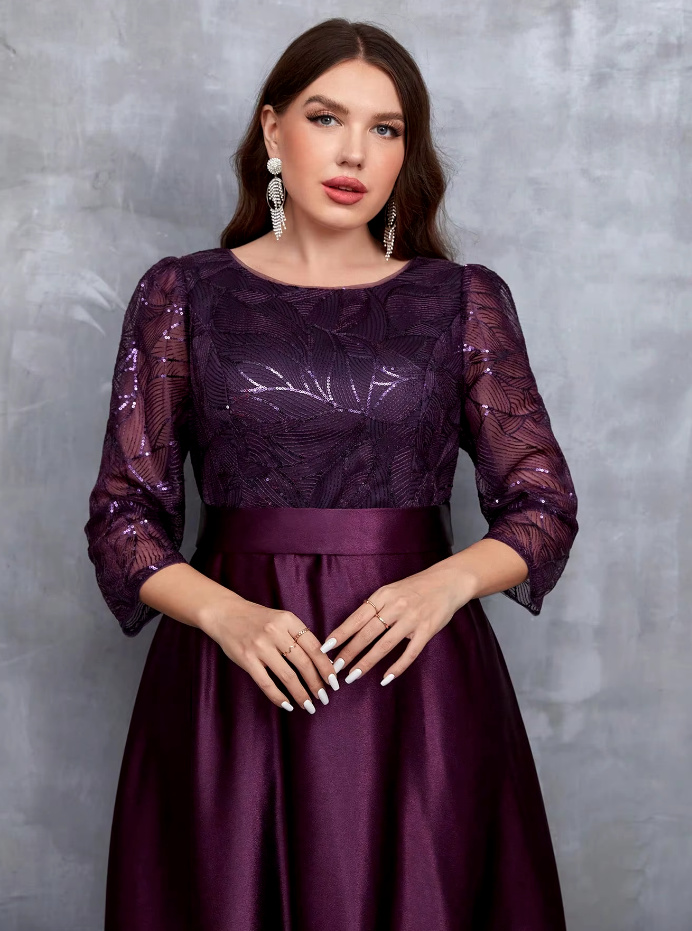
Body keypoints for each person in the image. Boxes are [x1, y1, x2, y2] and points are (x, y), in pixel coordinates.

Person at [84, 17, 579, 931]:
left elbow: (542, 504)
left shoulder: (460, 299)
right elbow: (123, 519)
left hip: (418, 689)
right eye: (326, 117)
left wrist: (444, 584)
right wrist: (227, 615)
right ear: (273, 130)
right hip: (231, 685)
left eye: (386, 129)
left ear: (405, 155)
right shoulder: (182, 295)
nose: (355, 151)